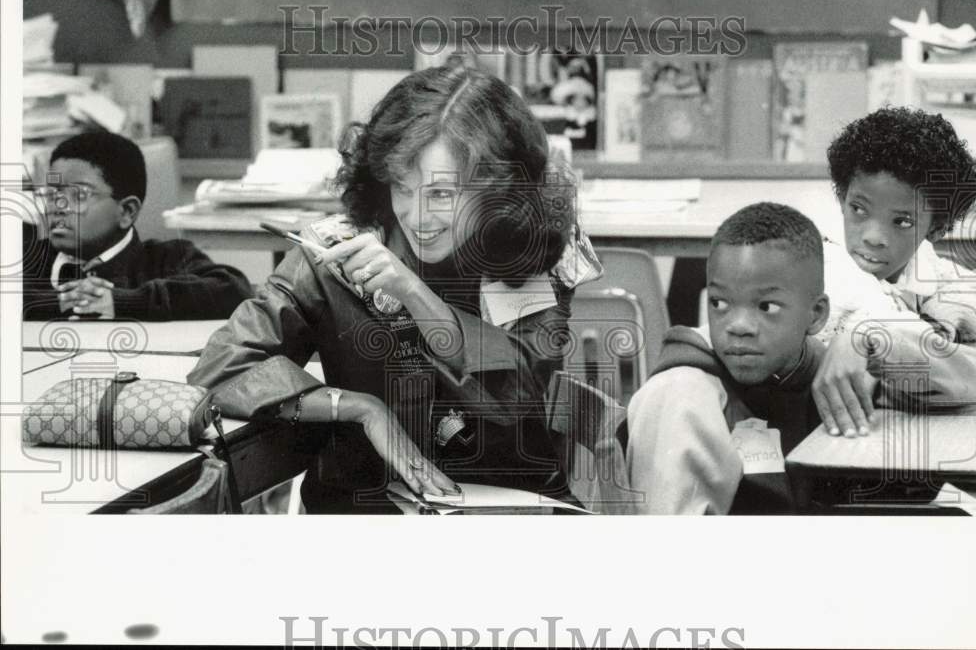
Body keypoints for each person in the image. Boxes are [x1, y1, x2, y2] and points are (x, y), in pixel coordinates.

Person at [188, 66, 601, 513]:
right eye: (402, 187)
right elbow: (220, 371)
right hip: (362, 507)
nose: (418, 216)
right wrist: (359, 408)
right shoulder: (334, 253)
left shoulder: (529, 249)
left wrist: (412, 291)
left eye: (443, 193)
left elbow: (513, 400)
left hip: (513, 507)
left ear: (496, 188)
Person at [626, 203, 830, 514]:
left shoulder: (822, 367)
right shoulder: (682, 395)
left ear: (816, 315)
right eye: (719, 302)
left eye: (766, 307)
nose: (738, 326)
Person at [813, 106, 976, 439]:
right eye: (858, 209)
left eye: (902, 222)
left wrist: (867, 333)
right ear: (842, 197)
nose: (873, 237)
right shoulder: (822, 273)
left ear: (937, 228)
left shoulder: (939, 275)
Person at [22, 131, 254, 321]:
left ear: (127, 211)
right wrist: (61, 302)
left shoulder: (166, 258)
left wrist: (123, 302)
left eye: (79, 195)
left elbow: (233, 290)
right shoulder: (29, 256)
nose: (57, 206)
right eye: (51, 194)